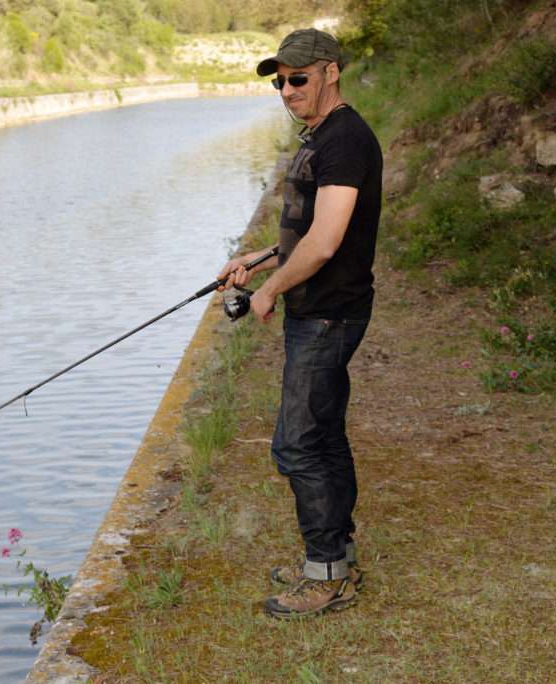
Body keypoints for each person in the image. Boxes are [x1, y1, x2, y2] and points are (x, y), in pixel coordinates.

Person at [216, 28, 383, 618]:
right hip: (319, 310)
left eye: (298, 79)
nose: (287, 91)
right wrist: (258, 258)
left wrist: (268, 291)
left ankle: (326, 575)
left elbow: (327, 241)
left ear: (330, 72)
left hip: (328, 313)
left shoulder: (344, 141)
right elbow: (308, 229)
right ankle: (337, 556)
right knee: (325, 435)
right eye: (280, 82)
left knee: (297, 444)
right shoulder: (323, 136)